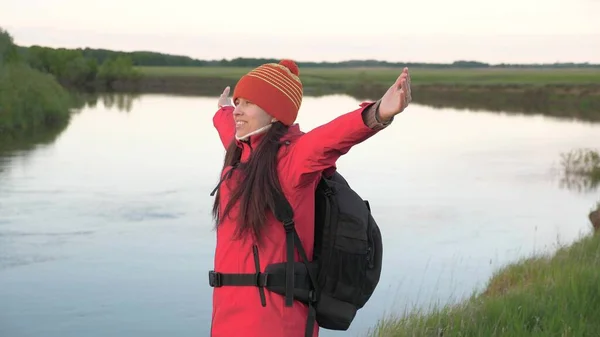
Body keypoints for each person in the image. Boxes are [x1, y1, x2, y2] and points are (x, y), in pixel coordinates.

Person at [208, 59, 411, 337]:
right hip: (227, 319)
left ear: (275, 113)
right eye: (238, 101)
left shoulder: (294, 160)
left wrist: (377, 113)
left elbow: (332, 138)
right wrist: (224, 108)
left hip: (275, 323)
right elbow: (227, 125)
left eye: (248, 103)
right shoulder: (241, 151)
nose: (238, 112)